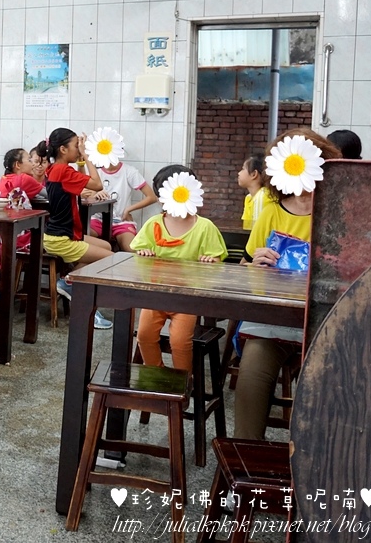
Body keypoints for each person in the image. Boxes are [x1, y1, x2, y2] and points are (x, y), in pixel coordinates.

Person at [234, 128, 341, 440]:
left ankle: (316, 458)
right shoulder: (270, 212)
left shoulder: (337, 215)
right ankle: (246, 456)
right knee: (251, 377)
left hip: (324, 324)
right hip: (273, 322)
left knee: (327, 385)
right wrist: (256, 264)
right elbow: (244, 268)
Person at [131, 165, 228, 371]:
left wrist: (210, 261)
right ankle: (156, 375)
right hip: (156, 294)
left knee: (180, 341)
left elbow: (217, 260)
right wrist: (144, 253)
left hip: (187, 298)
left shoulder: (205, 227)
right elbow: (138, 251)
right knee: (144, 335)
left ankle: (183, 380)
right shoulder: (154, 224)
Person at [42, 128, 113, 330]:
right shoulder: (63, 171)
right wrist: (87, 156)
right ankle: (85, 304)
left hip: (60, 234)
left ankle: (70, 281)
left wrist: (81, 161)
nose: (79, 149)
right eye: (76, 146)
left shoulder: (55, 169)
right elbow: (97, 184)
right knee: (111, 259)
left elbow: (84, 185)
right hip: (61, 239)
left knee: (106, 246)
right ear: (63, 149)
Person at [0, 148, 42, 253]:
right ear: (18, 165)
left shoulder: (5, 178)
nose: (33, 164)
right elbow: (50, 194)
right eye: (29, 160)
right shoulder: (23, 178)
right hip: (0, 234)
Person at [89, 158, 158, 253]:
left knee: (132, 249)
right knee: (81, 239)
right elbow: (86, 197)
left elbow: (152, 197)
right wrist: (95, 195)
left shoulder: (129, 171)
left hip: (122, 221)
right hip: (98, 220)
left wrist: (129, 209)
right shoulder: (96, 173)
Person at [237, 154, 268, 231]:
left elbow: (257, 230)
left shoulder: (262, 196)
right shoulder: (249, 197)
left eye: (243, 169)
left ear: (254, 174)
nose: (239, 173)